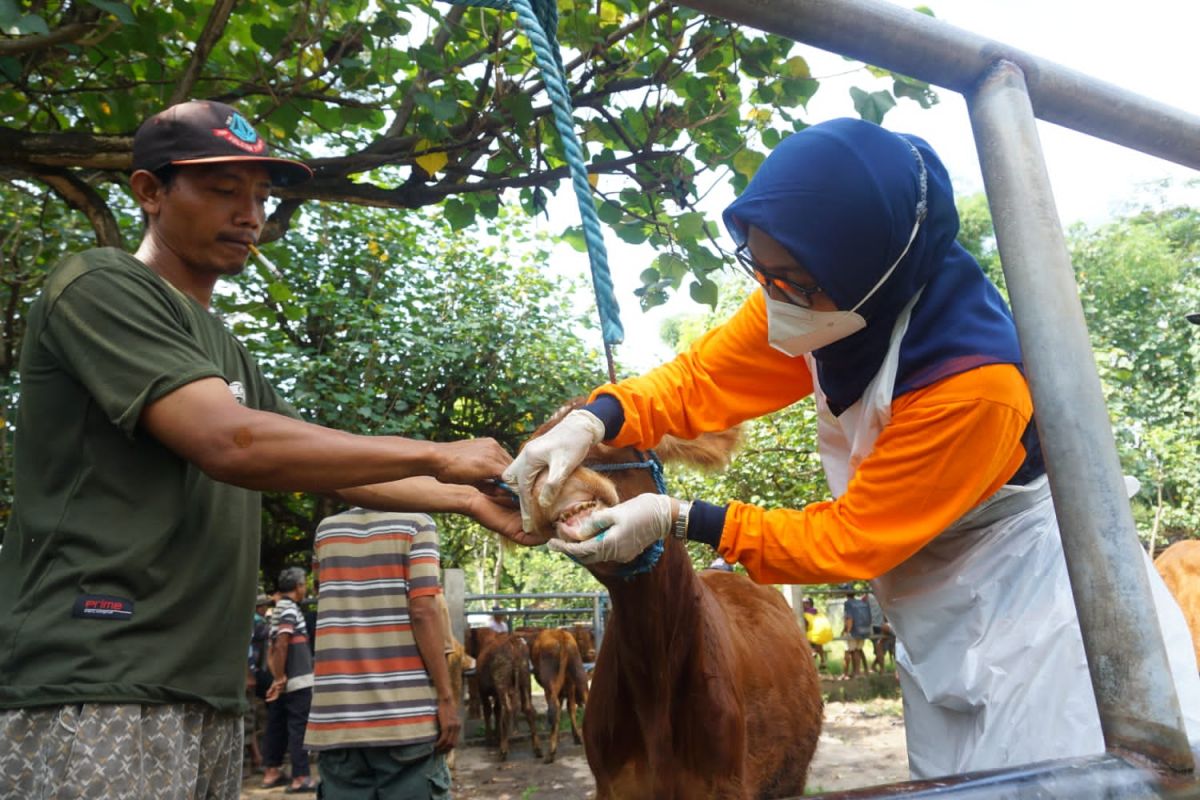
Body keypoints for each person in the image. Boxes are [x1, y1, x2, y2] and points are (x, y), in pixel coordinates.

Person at [503, 117, 1200, 778]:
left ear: (869, 266)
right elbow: (698, 381)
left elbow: (848, 539)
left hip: (1043, 614)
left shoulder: (973, 384)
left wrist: (679, 517)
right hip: (933, 600)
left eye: (793, 280)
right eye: (760, 267)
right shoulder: (814, 294)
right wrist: (594, 419)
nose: (772, 296)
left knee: (1054, 783)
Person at [0, 99, 522, 799]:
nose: (251, 214)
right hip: (96, 680)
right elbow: (229, 442)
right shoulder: (99, 284)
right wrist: (438, 452)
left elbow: (331, 466)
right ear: (149, 191)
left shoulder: (225, 350)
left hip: (204, 692)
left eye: (262, 194)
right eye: (223, 190)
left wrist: (469, 498)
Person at [304, 507, 460, 799]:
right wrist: (446, 698)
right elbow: (424, 611)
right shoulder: (418, 524)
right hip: (406, 720)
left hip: (338, 721)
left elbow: (322, 592)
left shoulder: (325, 530)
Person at [262, 567, 316, 792]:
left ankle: (272, 771)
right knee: (298, 726)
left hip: (285, 679)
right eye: (304, 584)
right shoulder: (288, 609)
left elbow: (273, 645)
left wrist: (277, 677)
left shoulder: (279, 608)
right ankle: (301, 776)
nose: (305, 588)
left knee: (278, 724)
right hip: (296, 679)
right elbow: (282, 642)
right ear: (298, 587)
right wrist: (282, 676)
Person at [841, 589, 872, 680]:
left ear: (845, 593)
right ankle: (857, 672)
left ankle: (849, 674)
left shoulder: (848, 603)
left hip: (854, 630)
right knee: (858, 650)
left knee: (849, 651)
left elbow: (849, 618)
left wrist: (847, 631)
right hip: (864, 629)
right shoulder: (861, 602)